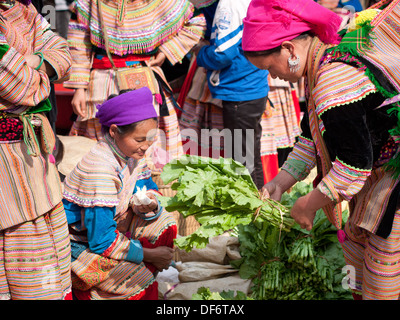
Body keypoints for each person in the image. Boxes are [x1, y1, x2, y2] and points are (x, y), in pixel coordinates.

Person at [242, 0, 400, 300]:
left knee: (383, 285)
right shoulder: (322, 65)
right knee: (364, 276)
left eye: (269, 68)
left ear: (289, 50)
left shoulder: (332, 78)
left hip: (392, 188)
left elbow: (355, 163)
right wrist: (279, 182)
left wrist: (308, 204)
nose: (272, 77)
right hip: (379, 185)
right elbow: (313, 137)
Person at [62, 88, 177, 300]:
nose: (146, 146)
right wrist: (149, 254)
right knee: (139, 284)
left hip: (110, 227)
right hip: (79, 243)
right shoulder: (100, 170)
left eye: (150, 139)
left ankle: (143, 266)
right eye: (140, 139)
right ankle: (88, 292)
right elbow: (101, 240)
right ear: (114, 131)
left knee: (166, 223)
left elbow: (146, 184)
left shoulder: (130, 152)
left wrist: (150, 201)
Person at [63, 0, 206, 167]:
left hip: (145, 80)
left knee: (148, 142)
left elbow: (196, 21)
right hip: (101, 84)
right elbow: (79, 45)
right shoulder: (89, 4)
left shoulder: (159, 2)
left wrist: (167, 51)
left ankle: (150, 186)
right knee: (99, 146)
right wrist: (79, 88)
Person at [0, 0, 72, 300]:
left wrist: (36, 62)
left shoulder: (22, 10)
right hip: (5, 163)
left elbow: (65, 55)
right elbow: (19, 87)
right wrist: (41, 69)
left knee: (43, 241)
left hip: (31, 154)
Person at [192, 0, 269, 189]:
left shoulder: (230, 5)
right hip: (251, 86)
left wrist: (200, 52)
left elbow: (222, 54)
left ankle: (250, 213)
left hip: (240, 91)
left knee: (241, 162)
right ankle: (262, 209)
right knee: (249, 157)